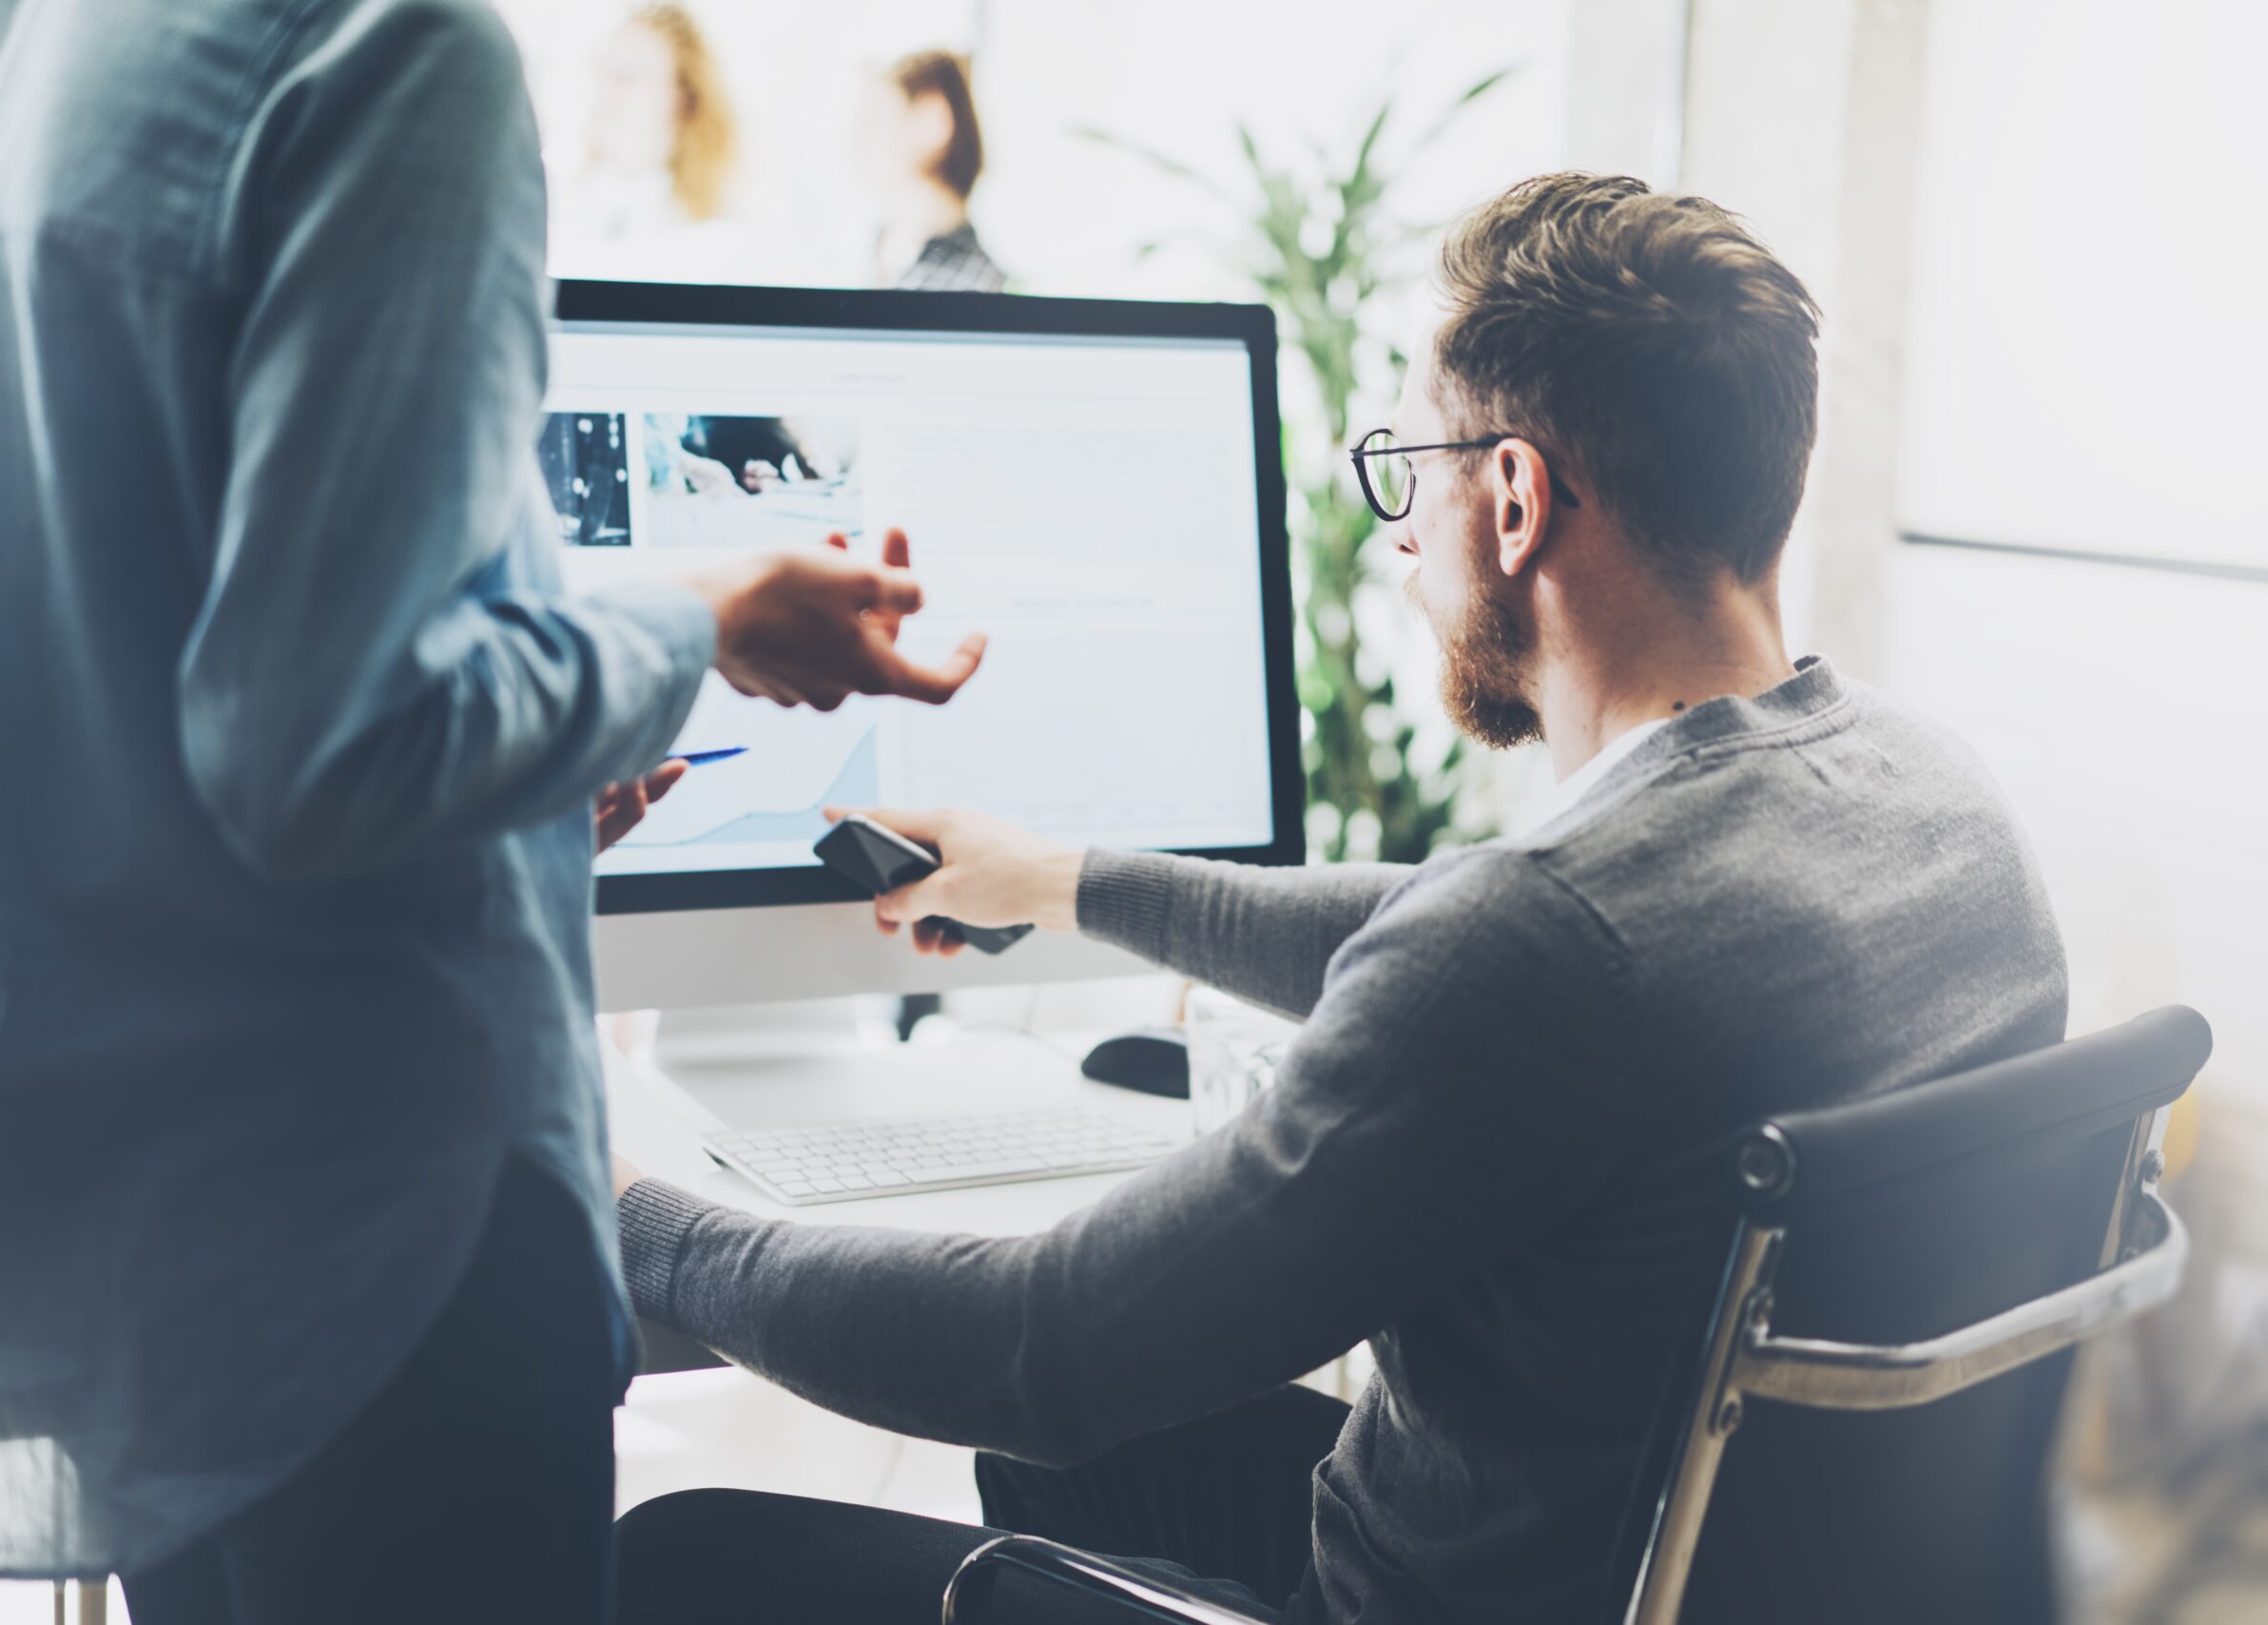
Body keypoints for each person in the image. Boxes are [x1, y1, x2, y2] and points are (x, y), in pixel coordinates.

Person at [604, 173, 2069, 1624]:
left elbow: (1035, 1348)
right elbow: (1457, 920)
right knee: (1096, 1466)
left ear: (1512, 497)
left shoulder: (1543, 950)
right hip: (1690, 1565)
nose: (1398, 533)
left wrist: (632, 1220)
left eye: (1409, 468)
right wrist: (1063, 880)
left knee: (678, 1552)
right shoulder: (1940, 807)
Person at [0, 3, 979, 1623]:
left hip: (111, 1205)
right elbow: (326, 743)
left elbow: (84, 657)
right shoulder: (392, 48)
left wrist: (517, 782)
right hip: (372, 1230)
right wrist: (692, 617)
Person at [552, 5, 757, 283]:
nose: (605, 90)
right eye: (602, 70)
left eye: (628, 76)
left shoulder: (713, 238)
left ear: (680, 96)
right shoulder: (555, 196)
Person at [860, 50, 1007, 292]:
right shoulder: (875, 248)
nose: (860, 141)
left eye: (875, 120)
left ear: (933, 118)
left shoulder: (970, 285)